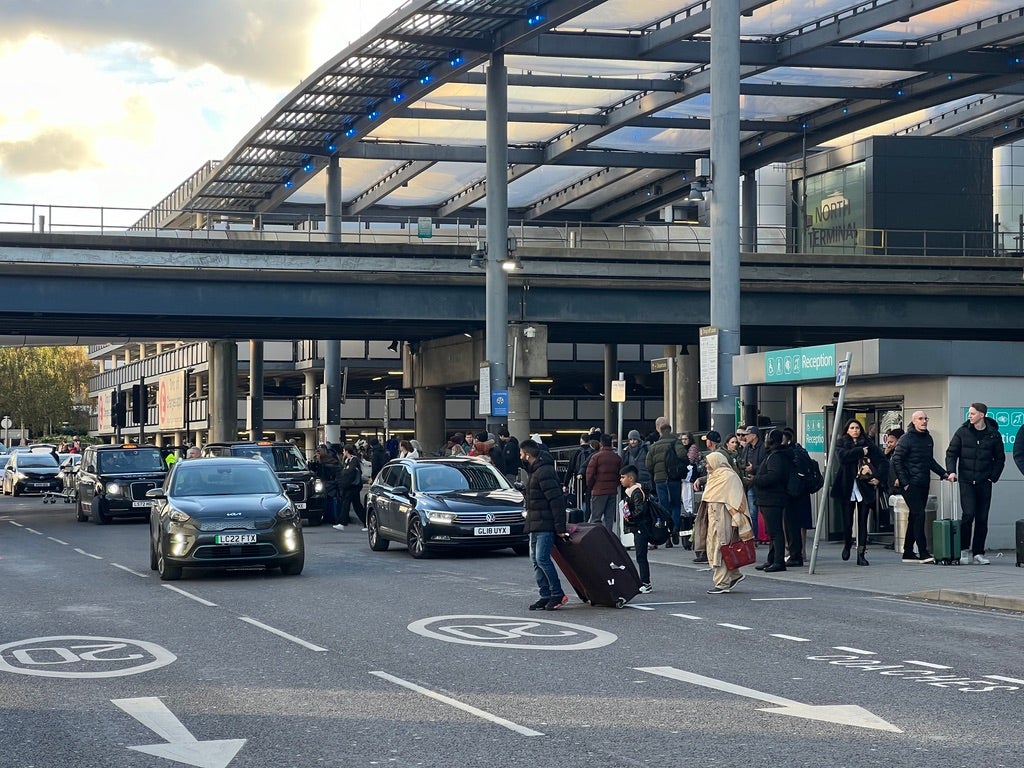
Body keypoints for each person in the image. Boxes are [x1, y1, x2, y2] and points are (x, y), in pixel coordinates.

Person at [945, 403, 1005, 565]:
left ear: (982, 415)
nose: (969, 416)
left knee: (982, 518)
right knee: (968, 514)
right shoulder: (963, 432)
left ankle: (978, 552)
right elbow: (951, 453)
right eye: (969, 413)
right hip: (966, 480)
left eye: (972, 413)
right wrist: (951, 471)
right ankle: (964, 549)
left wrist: (993, 477)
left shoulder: (993, 435)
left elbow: (1000, 459)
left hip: (984, 481)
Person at [892, 410, 952, 564]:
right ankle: (923, 552)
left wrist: (944, 474)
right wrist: (905, 483)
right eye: (920, 419)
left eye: (926, 418)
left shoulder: (928, 438)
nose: (924, 421)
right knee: (919, 515)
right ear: (913, 421)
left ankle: (908, 552)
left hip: (923, 483)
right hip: (910, 485)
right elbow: (896, 460)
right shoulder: (906, 439)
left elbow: (929, 461)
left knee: (914, 516)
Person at [519, 438, 569, 611]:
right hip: (535, 522)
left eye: (521, 454)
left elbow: (556, 501)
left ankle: (557, 594)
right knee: (535, 560)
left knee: (542, 558)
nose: (520, 457)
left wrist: (560, 528)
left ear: (527, 454)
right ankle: (545, 595)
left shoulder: (544, 471)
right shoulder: (535, 471)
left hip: (545, 524)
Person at [829, 419, 887, 566]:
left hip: (864, 486)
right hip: (846, 486)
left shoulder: (869, 443)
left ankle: (861, 553)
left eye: (857, 428)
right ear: (847, 430)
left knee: (863, 522)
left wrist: (878, 478)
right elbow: (843, 457)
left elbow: (883, 462)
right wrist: (860, 452)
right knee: (847, 521)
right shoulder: (841, 443)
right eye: (852, 428)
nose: (855, 430)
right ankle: (847, 543)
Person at [694, 452, 753, 593]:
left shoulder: (729, 477)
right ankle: (734, 575)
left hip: (724, 519)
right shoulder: (714, 476)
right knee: (718, 548)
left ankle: (722, 584)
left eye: (709, 462)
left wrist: (736, 521)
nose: (707, 465)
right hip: (713, 518)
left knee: (720, 549)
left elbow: (737, 500)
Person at [752, 428, 792, 572]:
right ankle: (772, 559)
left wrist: (755, 479)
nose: (765, 441)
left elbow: (773, 477)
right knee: (772, 531)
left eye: (767, 438)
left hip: (773, 498)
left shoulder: (776, 456)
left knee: (775, 531)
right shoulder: (773, 455)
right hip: (768, 498)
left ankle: (778, 561)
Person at [646, 423, 687, 547]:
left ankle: (666, 536)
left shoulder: (654, 446)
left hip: (660, 480)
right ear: (670, 430)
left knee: (663, 508)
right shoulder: (676, 442)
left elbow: (648, 465)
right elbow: (683, 455)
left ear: (660, 432)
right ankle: (674, 528)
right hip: (674, 478)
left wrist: (656, 473)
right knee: (675, 505)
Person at [619, 464, 654, 594]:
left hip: (641, 526)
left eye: (623, 477)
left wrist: (631, 517)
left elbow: (640, 510)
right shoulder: (630, 492)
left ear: (631, 478)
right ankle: (642, 581)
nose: (621, 480)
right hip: (637, 527)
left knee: (641, 555)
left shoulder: (637, 492)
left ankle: (646, 582)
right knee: (640, 555)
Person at [781, 427, 813, 566]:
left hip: (796, 492)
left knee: (794, 523)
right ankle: (799, 552)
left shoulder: (793, 454)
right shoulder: (800, 452)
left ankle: (796, 552)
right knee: (799, 523)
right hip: (800, 492)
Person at [586, 434, 622, 532]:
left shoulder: (596, 457)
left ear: (601, 443)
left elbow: (589, 475)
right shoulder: (617, 458)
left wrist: (592, 485)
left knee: (596, 518)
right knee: (609, 519)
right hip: (612, 490)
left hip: (598, 490)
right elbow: (621, 474)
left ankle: (596, 540)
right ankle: (608, 540)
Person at [739, 425, 767, 541]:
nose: (744, 437)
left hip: (761, 482)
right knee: (752, 512)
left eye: (747, 434)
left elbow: (766, 464)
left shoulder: (763, 448)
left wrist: (753, 468)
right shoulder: (747, 448)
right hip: (750, 483)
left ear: (754, 435)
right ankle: (753, 537)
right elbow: (742, 461)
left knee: (763, 511)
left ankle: (765, 535)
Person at [336, 443, 366, 530]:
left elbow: (349, 472)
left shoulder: (354, 460)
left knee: (346, 503)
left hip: (353, 486)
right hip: (351, 485)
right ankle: (366, 522)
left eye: (344, 451)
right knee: (357, 505)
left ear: (347, 451)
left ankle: (342, 523)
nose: (343, 452)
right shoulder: (347, 460)